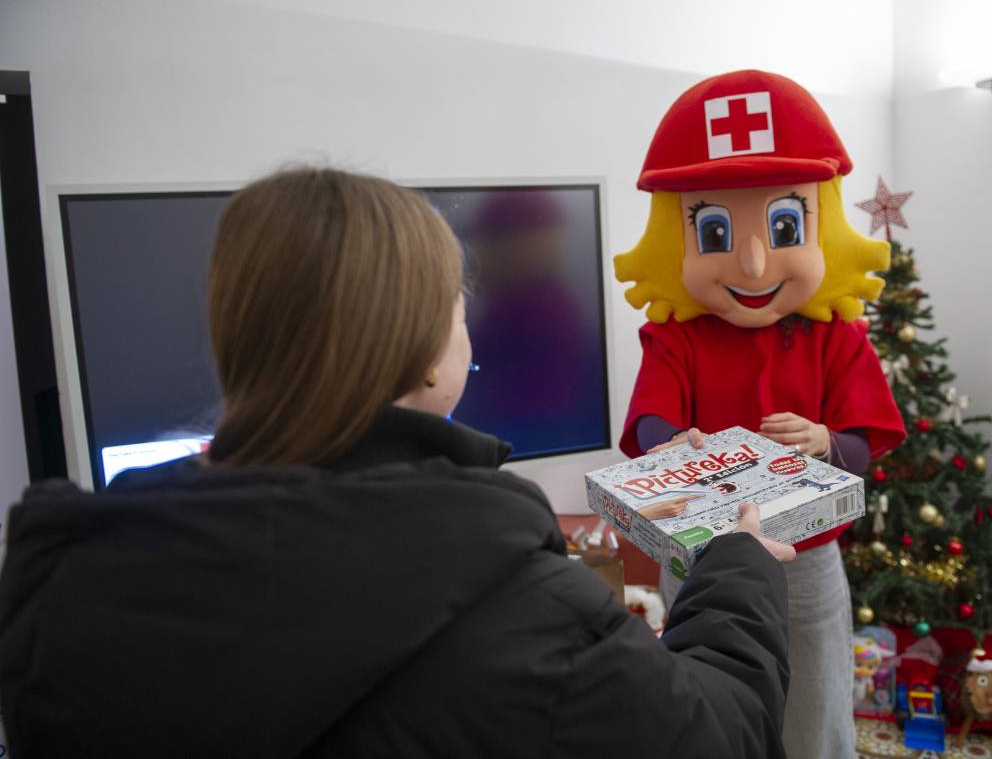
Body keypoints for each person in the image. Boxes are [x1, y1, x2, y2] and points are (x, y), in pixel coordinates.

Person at [0, 168, 796, 758]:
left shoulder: (71, 584)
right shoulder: (514, 603)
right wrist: (738, 567)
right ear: (427, 358)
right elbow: (717, 735)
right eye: (458, 308)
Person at [614, 70, 907, 759]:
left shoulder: (838, 336)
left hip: (804, 561)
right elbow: (651, 421)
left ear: (821, 223)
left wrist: (826, 441)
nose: (750, 262)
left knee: (815, 716)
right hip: (702, 560)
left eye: (782, 225)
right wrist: (671, 444)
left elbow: (864, 442)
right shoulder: (675, 336)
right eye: (714, 230)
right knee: (703, 719)